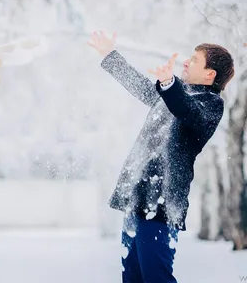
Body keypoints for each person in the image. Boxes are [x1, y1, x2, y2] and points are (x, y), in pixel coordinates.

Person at [88, 31, 234, 283]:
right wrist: (109, 56)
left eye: (194, 60)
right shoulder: (173, 93)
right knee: (132, 277)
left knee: (156, 277)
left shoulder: (210, 104)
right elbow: (142, 87)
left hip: (162, 203)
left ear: (210, 74)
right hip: (137, 197)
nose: (186, 63)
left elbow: (185, 110)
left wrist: (169, 84)